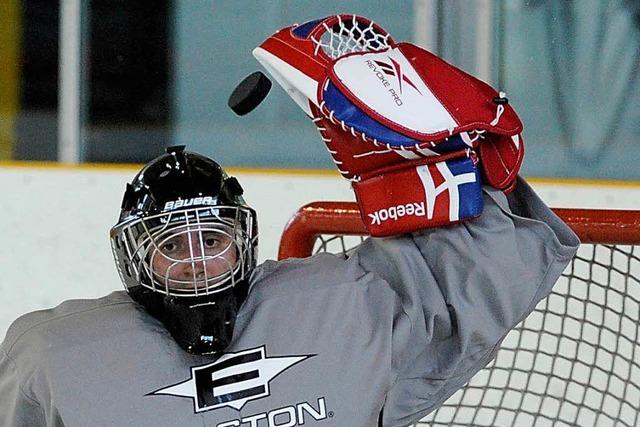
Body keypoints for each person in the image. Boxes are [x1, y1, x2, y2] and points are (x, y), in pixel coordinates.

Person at [0, 15, 580, 427]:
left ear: (245, 239)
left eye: (214, 239)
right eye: (174, 244)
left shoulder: (342, 310)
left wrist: (452, 175)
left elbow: (475, 284)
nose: (200, 261)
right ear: (136, 257)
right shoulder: (53, 356)